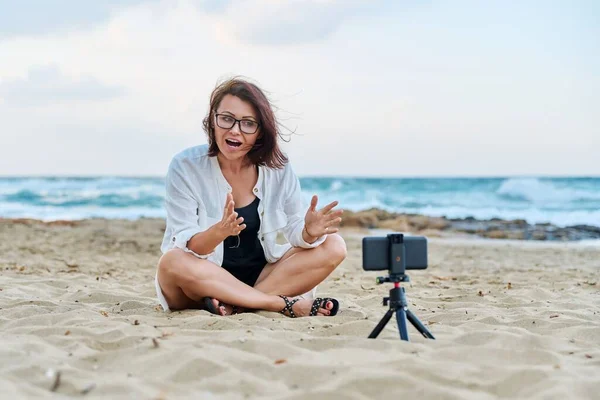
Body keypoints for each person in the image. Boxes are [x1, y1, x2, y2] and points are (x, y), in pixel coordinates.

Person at [155, 78, 347, 317]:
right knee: (171, 262)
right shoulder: (185, 166)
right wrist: (218, 233)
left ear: (260, 132)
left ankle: (239, 305)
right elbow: (184, 240)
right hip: (200, 284)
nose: (235, 130)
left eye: (248, 123)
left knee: (333, 244)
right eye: (226, 118)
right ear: (212, 120)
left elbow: (295, 230)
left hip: (263, 278)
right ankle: (280, 304)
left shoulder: (278, 169)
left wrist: (309, 232)